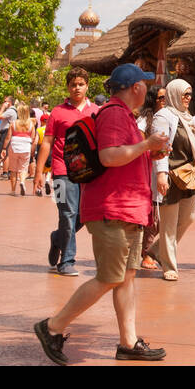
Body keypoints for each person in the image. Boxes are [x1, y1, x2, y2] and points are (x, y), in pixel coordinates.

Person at [34, 64, 170, 365]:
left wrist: (149, 152)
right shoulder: (114, 113)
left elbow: (123, 153)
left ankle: (129, 342)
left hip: (128, 209)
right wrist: (147, 144)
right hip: (113, 209)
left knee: (125, 278)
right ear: (135, 87)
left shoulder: (123, 115)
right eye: (145, 85)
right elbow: (109, 156)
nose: (147, 90)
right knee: (109, 277)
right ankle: (52, 326)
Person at [36, 68, 98, 276]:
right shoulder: (57, 112)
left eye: (81, 84)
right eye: (73, 84)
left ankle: (57, 238)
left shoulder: (96, 111)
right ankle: (67, 261)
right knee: (67, 213)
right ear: (68, 87)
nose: (77, 88)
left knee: (85, 215)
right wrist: (39, 171)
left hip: (89, 172)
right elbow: (47, 141)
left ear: (87, 85)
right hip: (62, 171)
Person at [147, 78, 195, 280]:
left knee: (188, 218)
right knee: (169, 225)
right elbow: (160, 148)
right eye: (184, 94)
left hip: (188, 176)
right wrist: (161, 175)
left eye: (190, 94)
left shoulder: (187, 117)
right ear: (174, 94)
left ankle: (156, 250)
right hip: (171, 176)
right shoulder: (163, 116)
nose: (188, 98)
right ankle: (169, 266)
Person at [138, 87, 166, 271]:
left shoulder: (169, 117)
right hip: (148, 172)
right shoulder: (143, 121)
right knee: (153, 219)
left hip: (165, 170)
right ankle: (146, 253)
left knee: (162, 217)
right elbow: (139, 146)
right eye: (161, 97)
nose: (164, 100)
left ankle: (152, 251)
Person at [7, 104, 34, 196]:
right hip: (26, 147)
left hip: (14, 146)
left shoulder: (13, 123)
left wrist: (3, 148)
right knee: (23, 168)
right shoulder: (31, 124)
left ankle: (13, 190)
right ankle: (22, 182)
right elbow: (33, 137)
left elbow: (8, 137)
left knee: (13, 169)